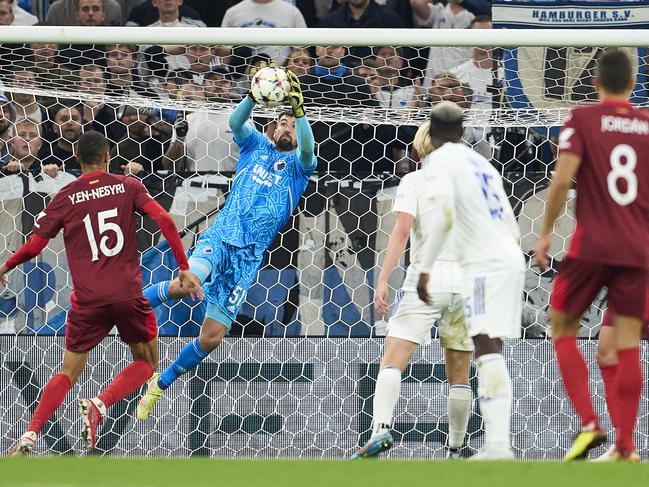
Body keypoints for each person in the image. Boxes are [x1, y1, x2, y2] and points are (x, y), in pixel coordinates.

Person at [135, 66, 317, 420]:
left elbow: (309, 149)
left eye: (292, 127)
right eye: (282, 122)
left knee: (213, 337)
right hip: (220, 237)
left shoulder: (298, 167)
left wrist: (300, 111)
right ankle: (121, 306)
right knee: (190, 281)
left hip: (247, 260)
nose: (287, 128)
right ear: (271, 127)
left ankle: (161, 382)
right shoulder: (255, 147)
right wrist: (252, 96)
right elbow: (235, 123)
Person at [4, 130, 201, 455]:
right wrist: (183, 266)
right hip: (127, 294)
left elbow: (35, 245)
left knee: (68, 371)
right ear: (108, 157)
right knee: (147, 363)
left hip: (88, 301)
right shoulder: (128, 185)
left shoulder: (65, 196)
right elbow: (165, 219)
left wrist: (5, 267)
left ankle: (29, 435)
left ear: (78, 160)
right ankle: (100, 403)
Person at [534, 49, 649, 462]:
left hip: (592, 244)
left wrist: (545, 235)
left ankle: (589, 423)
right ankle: (626, 446)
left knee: (561, 323)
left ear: (596, 83)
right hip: (637, 249)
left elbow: (562, 178)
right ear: (633, 86)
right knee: (628, 343)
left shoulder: (581, 119)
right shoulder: (647, 125)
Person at [352, 121, 473, 460]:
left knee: (393, 359)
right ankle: (455, 449)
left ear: (419, 150)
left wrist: (382, 280)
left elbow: (402, 231)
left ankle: (380, 431)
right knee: (460, 374)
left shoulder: (414, 180)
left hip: (426, 277)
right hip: (465, 281)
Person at [416, 101, 525, 460]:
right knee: (490, 350)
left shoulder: (439, 161)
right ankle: (499, 445)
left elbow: (445, 215)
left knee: (486, 350)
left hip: (483, 262)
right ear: (464, 131)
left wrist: (425, 268)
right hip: (508, 257)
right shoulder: (483, 165)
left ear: (430, 132)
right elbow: (510, 220)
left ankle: (497, 446)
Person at [42, 105, 84, 175]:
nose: (70, 123)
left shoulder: (88, 156)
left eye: (74, 119)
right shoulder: (44, 156)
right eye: (64, 119)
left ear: (82, 127)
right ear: (55, 128)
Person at [46, 0, 122, 25]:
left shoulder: (113, 8)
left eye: (96, 9)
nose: (91, 13)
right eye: (85, 9)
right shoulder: (56, 9)